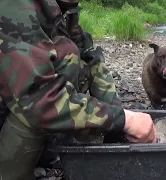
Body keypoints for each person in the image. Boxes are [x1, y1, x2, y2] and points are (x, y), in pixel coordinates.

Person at [0, 0, 157, 179]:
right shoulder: (13, 5)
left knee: (70, 54)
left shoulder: (65, 7)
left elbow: (91, 59)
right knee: (62, 62)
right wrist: (124, 119)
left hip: (27, 98)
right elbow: (39, 99)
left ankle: (45, 153)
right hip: (32, 100)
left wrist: (118, 129)